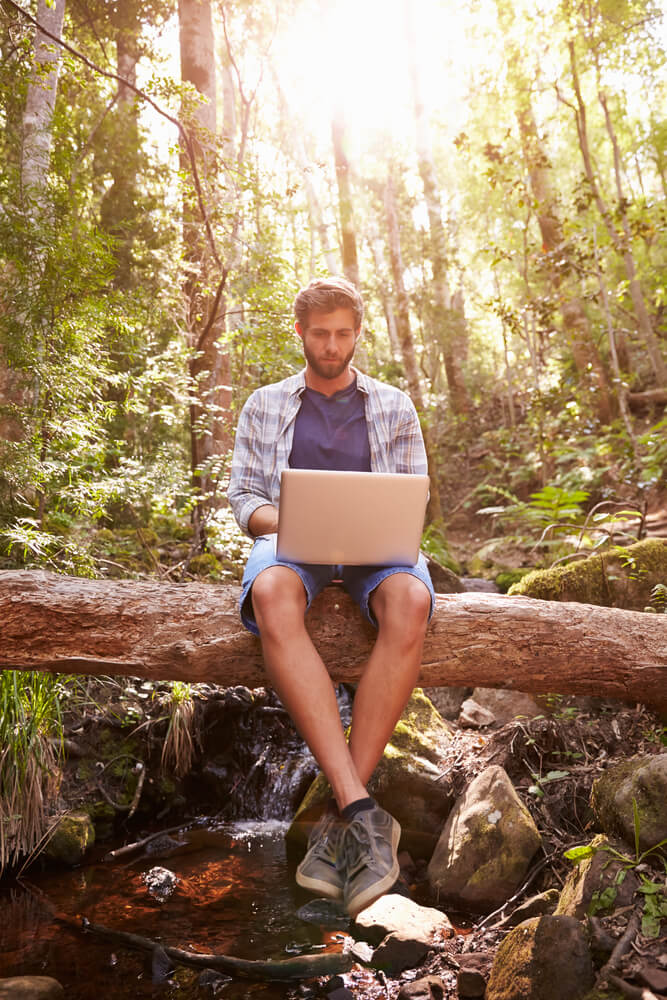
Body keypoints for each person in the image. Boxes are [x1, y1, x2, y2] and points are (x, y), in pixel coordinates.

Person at [227, 276, 435, 916]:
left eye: (343, 333)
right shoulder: (265, 404)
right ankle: (363, 811)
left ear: (357, 333)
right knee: (270, 590)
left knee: (412, 603)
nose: (332, 345)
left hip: (375, 548)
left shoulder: (394, 405)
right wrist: (289, 525)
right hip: (294, 542)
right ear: (300, 333)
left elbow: (414, 499)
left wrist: (381, 532)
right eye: (320, 333)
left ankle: (339, 811)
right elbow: (246, 501)